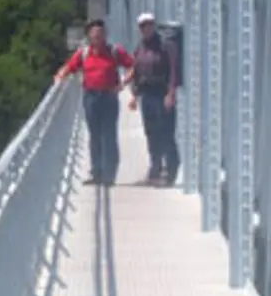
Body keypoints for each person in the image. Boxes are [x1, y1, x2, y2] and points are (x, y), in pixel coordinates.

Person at [54, 19, 135, 186]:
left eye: (100, 34)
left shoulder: (114, 51)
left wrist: (123, 83)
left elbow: (134, 66)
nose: (97, 37)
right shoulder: (84, 53)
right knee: (95, 136)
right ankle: (97, 173)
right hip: (91, 97)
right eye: (94, 35)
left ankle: (109, 175)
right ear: (89, 37)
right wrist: (60, 75)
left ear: (105, 35)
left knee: (109, 135)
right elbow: (70, 66)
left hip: (108, 97)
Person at [127, 12, 181, 186]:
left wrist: (171, 93)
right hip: (147, 95)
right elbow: (137, 72)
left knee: (166, 133)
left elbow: (173, 71)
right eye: (143, 26)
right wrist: (134, 95)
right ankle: (155, 170)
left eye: (149, 24)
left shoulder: (166, 46)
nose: (146, 28)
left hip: (162, 94)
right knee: (151, 134)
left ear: (154, 26)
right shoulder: (140, 48)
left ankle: (171, 171)